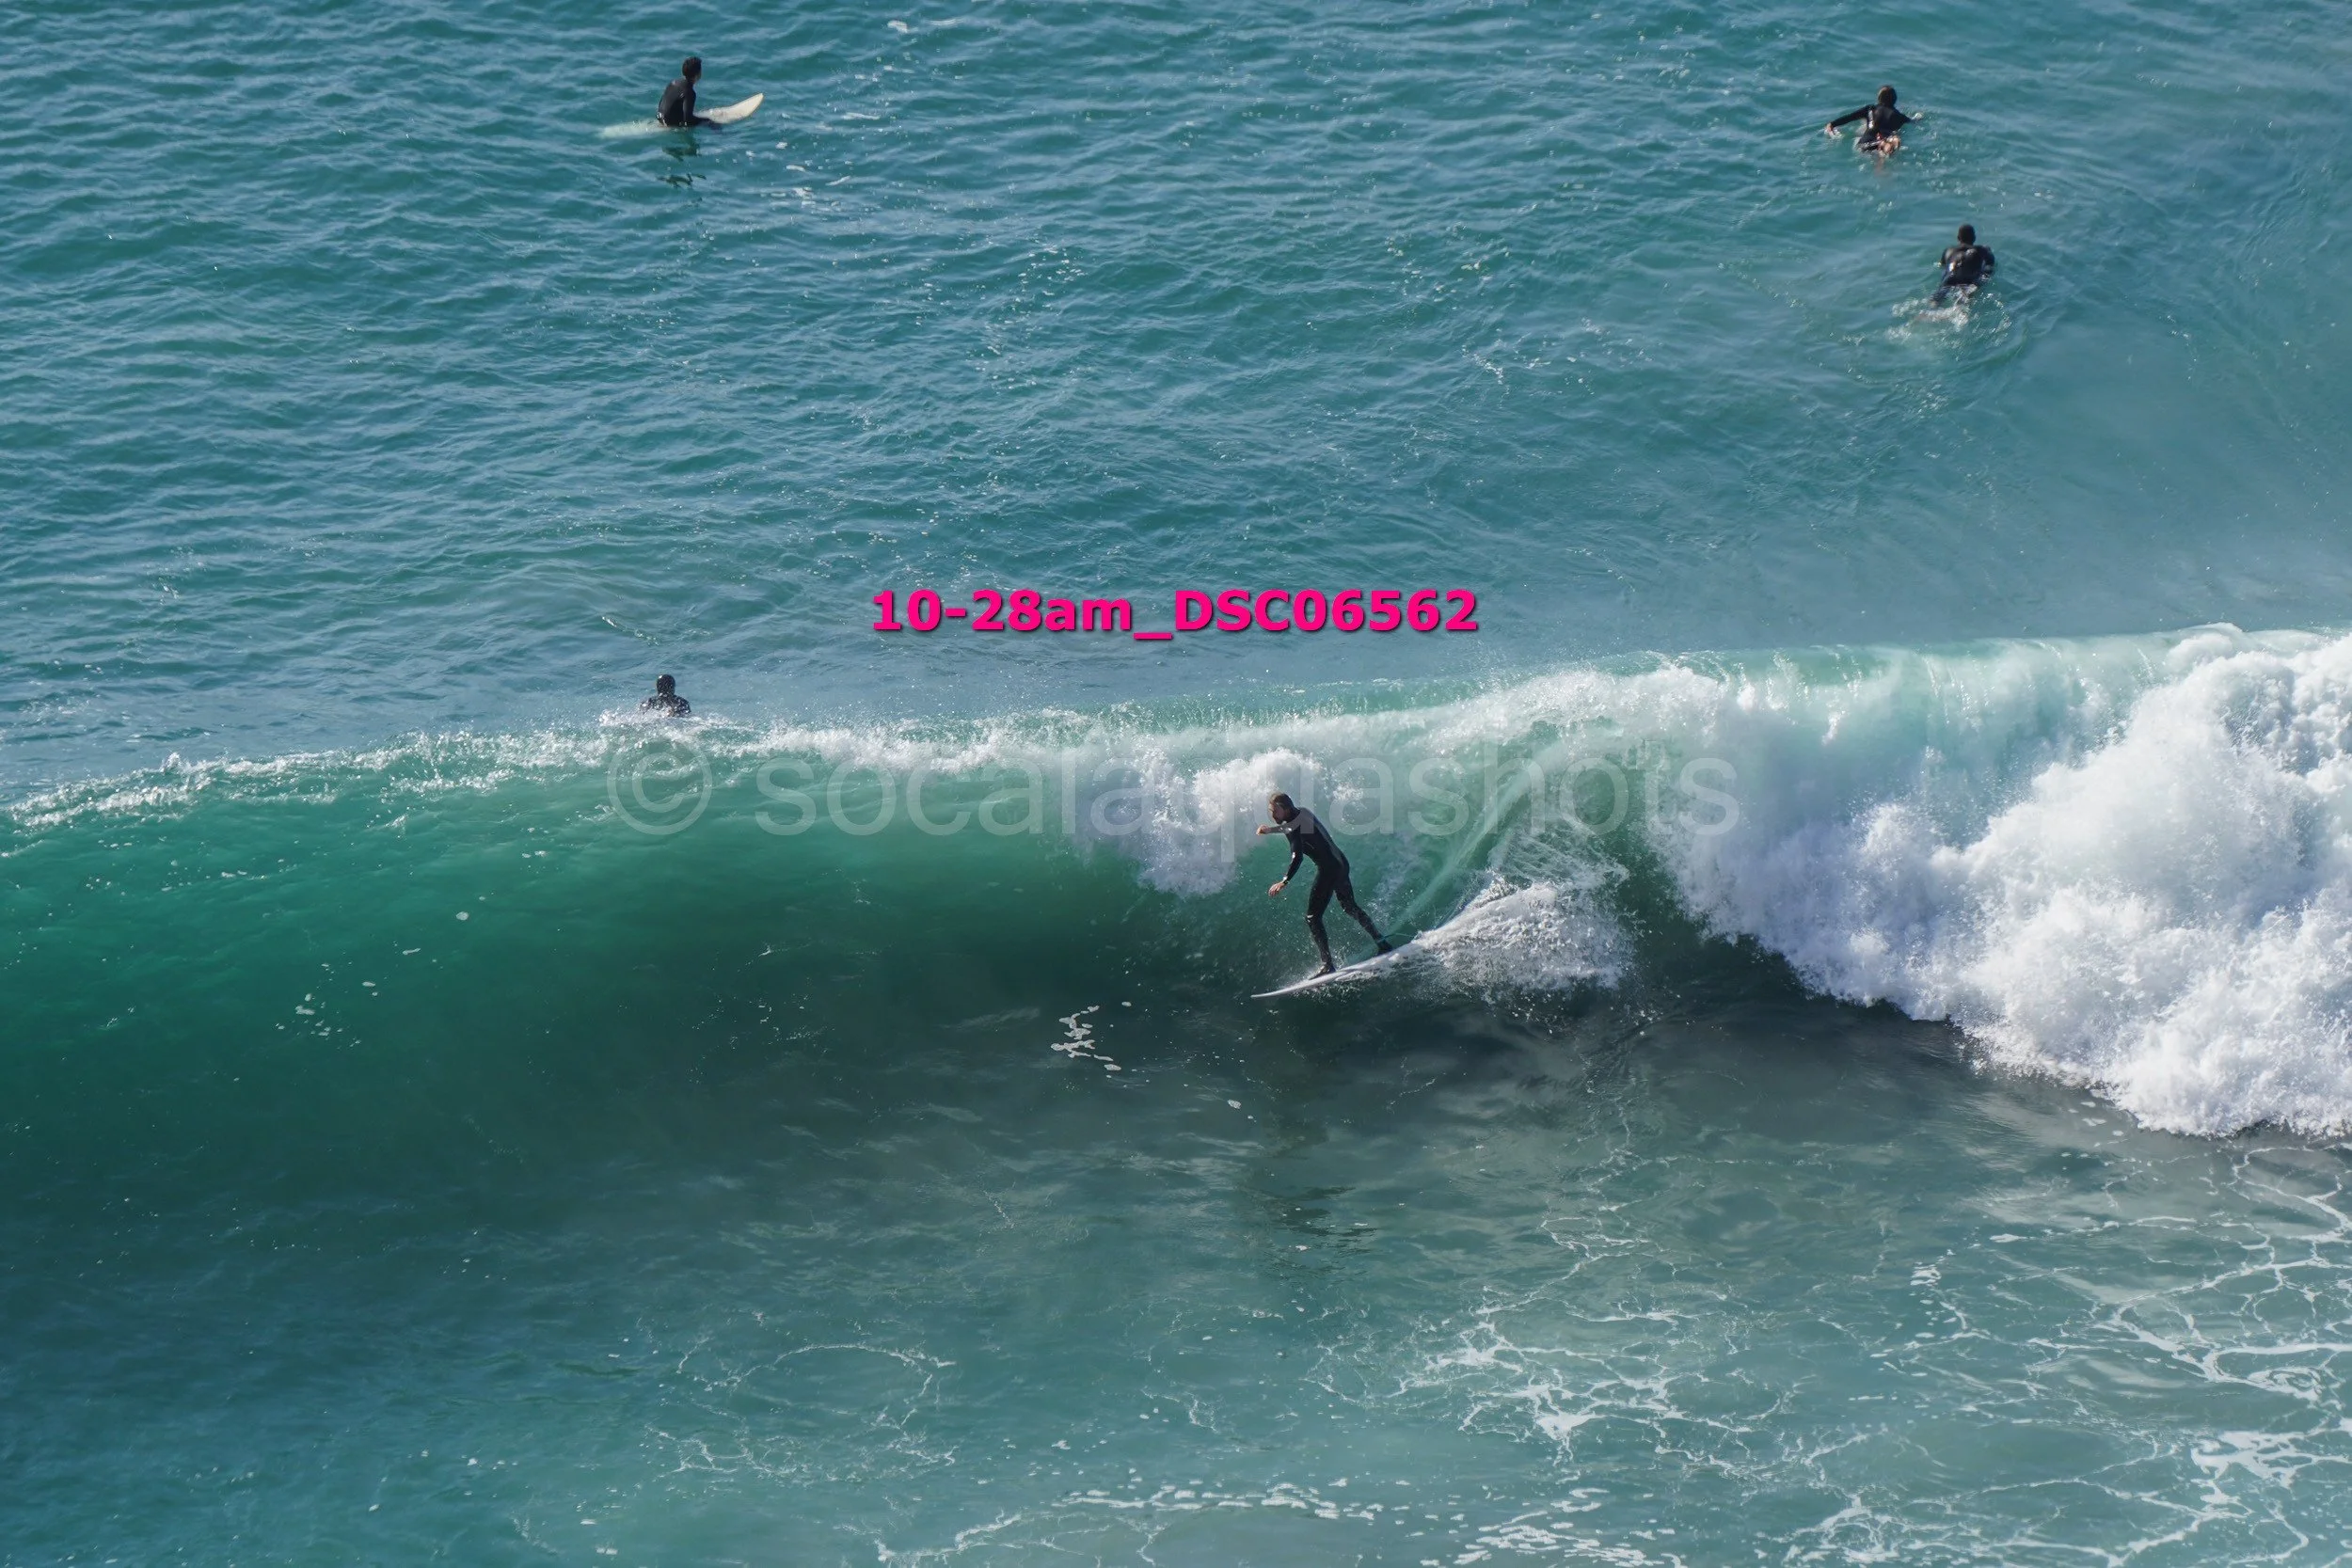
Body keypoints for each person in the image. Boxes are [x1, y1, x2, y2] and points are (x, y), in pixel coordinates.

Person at [1257, 793, 1392, 974]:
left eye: (1275, 810)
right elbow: (1291, 827)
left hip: (1329, 870)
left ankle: (1328, 965)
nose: (1272, 814)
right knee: (1350, 907)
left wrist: (1284, 881)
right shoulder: (1303, 812)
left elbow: (1296, 856)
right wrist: (1270, 830)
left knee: (1312, 918)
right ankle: (1382, 942)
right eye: (1270, 810)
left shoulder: (1292, 828)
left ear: (1285, 807)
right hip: (1341, 862)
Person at [1825, 86, 1913, 153]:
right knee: (1885, 151)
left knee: (1869, 147)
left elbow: (1850, 117)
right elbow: (1913, 122)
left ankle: (1883, 144)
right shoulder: (1899, 116)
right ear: (1894, 100)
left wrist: (1832, 124)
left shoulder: (1870, 109)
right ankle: (1889, 143)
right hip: (1886, 136)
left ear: (1879, 99)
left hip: (1867, 141)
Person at [1935, 224, 1996, 303]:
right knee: (1962, 304)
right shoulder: (1983, 250)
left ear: (1958, 238)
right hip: (1968, 281)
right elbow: (1991, 264)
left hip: (1948, 281)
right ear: (1974, 238)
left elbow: (1941, 265)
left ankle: (1932, 306)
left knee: (1936, 300)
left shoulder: (1948, 251)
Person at [658, 56, 716, 129]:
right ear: (698, 74)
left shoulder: (673, 83)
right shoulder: (689, 92)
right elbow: (688, 120)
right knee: (709, 122)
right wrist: (707, 121)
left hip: (660, 117)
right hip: (670, 123)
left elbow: (661, 102)